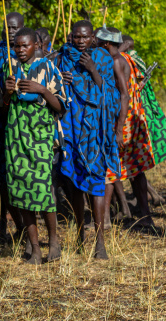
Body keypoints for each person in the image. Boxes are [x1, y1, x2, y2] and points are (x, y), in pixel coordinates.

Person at [55, 20, 120, 259]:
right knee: (74, 182)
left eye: (85, 37)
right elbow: (56, 88)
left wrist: (91, 70)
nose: (80, 41)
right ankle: (81, 235)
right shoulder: (63, 56)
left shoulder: (103, 58)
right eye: (76, 37)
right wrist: (61, 79)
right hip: (71, 126)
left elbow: (112, 95)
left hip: (95, 130)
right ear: (71, 36)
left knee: (97, 183)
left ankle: (100, 241)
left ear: (93, 37)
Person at [2, 28, 68, 264]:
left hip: (40, 138)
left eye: (25, 46)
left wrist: (41, 89)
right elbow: (6, 103)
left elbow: (61, 106)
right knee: (20, 193)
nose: (20, 50)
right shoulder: (10, 68)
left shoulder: (48, 67)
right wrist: (8, 92)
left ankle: (53, 242)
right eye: (17, 46)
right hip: (16, 139)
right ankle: (34, 247)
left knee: (43, 192)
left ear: (35, 46)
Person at [97, 27, 155, 227]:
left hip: (123, 123)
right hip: (133, 120)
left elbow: (124, 94)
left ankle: (104, 220)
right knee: (135, 169)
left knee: (109, 170)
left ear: (105, 44)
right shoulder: (125, 58)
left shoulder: (114, 61)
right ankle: (145, 216)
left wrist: (118, 129)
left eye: (96, 43)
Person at [0, 13, 25, 244]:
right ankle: (3, 222)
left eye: (14, 27)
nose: (10, 31)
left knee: (16, 174)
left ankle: (22, 225)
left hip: (20, 119)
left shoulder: (24, 51)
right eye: (7, 27)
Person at [121, 35, 166, 205]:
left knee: (134, 164)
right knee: (134, 165)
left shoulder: (130, 59)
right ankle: (150, 197)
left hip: (136, 115)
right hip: (134, 115)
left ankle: (147, 200)